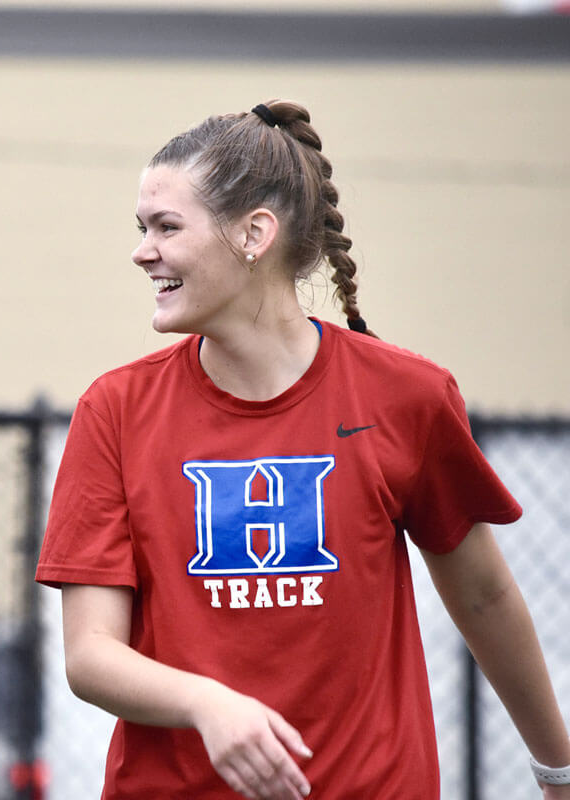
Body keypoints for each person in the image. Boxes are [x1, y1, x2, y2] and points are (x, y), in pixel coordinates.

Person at [35, 100, 570, 799]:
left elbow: (485, 595)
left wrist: (557, 770)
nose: (142, 250)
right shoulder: (114, 411)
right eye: (142, 228)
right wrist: (208, 703)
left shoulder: (407, 395)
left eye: (167, 227)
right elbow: (90, 655)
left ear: (254, 234)